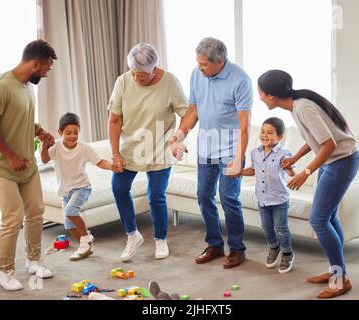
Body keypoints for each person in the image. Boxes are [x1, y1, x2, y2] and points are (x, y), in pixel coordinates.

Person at [257, 69, 359, 298]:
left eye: (261, 93)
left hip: (341, 161)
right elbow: (314, 139)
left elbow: (329, 143)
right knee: (328, 217)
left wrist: (305, 171)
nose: (260, 97)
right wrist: (295, 158)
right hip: (336, 160)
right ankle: (337, 270)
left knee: (319, 219)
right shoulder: (296, 105)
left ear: (272, 95)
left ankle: (340, 279)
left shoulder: (302, 108)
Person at [0, 39, 57, 291]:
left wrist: (40, 132)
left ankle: (34, 260)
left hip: (26, 164)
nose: (47, 73)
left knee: (36, 211)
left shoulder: (26, 86)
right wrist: (11, 155)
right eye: (46, 68)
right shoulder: (0, 87)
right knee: (14, 216)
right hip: (0, 165)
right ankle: (5, 271)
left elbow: (20, 119)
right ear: (35, 64)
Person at [170, 37, 253, 269]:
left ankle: (237, 248)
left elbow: (244, 125)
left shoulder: (240, 80)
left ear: (220, 61)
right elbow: (193, 110)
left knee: (228, 197)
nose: (200, 67)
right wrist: (179, 135)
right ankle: (215, 244)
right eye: (198, 62)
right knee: (204, 195)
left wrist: (238, 159)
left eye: (204, 64)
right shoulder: (197, 75)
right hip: (206, 147)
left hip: (230, 149)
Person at [108, 43, 189, 261]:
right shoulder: (123, 82)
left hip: (160, 148)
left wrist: (179, 138)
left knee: (156, 196)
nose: (137, 78)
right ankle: (133, 235)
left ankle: (161, 239)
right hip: (131, 147)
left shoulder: (170, 82)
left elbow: (188, 113)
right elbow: (115, 120)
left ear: (155, 68)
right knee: (118, 187)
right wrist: (115, 153)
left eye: (142, 74)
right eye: (133, 73)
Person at [41, 113, 114, 261]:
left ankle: (86, 237)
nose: (72, 136)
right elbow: (44, 159)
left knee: (70, 211)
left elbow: (99, 162)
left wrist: (113, 167)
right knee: (68, 225)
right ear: (60, 132)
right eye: (68, 133)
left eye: (76, 132)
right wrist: (45, 146)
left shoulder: (84, 148)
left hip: (82, 187)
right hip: (65, 192)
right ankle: (85, 247)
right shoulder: (55, 146)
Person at [240, 117, 296, 273]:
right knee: (266, 227)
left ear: (279, 137)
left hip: (279, 199)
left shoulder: (284, 154)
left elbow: (292, 172)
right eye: (262, 132)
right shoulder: (255, 153)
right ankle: (274, 247)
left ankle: (287, 253)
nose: (265, 135)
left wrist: (289, 168)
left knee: (281, 228)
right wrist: (239, 172)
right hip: (262, 198)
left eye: (270, 133)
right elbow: (253, 170)